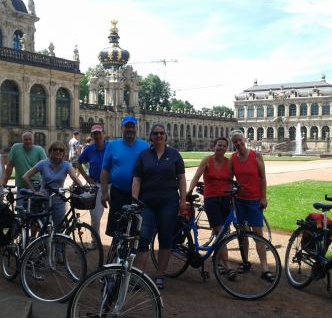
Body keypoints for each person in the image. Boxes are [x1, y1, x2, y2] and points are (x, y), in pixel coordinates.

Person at [131, 123, 186, 290]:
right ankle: (139, 275)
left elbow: (181, 179)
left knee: (165, 239)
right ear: (151, 137)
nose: (159, 136)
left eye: (161, 133)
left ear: (165, 136)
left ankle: (160, 275)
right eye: (155, 133)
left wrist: (182, 200)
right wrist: (135, 200)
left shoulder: (174, 154)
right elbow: (137, 179)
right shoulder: (143, 155)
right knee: (143, 239)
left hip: (168, 202)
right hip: (147, 203)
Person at [187, 136, 236, 280]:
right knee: (220, 231)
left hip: (225, 199)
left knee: (222, 232)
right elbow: (196, 177)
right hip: (212, 200)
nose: (221, 147)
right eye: (219, 145)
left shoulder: (229, 163)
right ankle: (227, 266)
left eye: (224, 146)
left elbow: (231, 182)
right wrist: (189, 192)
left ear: (227, 148)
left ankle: (218, 260)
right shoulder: (207, 160)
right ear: (214, 146)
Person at [229, 129, 273, 282]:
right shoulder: (233, 158)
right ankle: (245, 261)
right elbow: (229, 179)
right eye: (235, 142)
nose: (238, 144)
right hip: (239, 200)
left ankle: (265, 267)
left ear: (244, 140)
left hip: (254, 200)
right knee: (242, 233)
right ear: (233, 144)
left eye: (240, 140)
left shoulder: (256, 155)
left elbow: (263, 178)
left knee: (258, 234)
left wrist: (263, 197)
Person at [100, 116, 149, 237]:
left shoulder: (145, 146)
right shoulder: (112, 145)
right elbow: (105, 170)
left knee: (137, 229)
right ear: (122, 128)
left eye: (132, 127)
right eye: (127, 126)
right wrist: (104, 193)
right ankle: (116, 253)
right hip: (118, 193)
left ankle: (132, 253)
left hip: (139, 195)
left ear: (136, 128)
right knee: (117, 229)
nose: (130, 129)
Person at [22, 141, 83, 228]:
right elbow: (25, 177)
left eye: (61, 150)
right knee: (42, 227)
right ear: (50, 151)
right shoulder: (43, 163)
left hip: (59, 199)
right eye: (55, 149)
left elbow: (75, 179)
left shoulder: (66, 165)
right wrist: (34, 192)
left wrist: (82, 188)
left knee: (59, 227)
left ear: (63, 153)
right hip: (43, 199)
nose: (58, 151)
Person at [77, 125, 109, 248]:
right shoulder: (89, 149)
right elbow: (79, 163)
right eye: (94, 134)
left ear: (103, 134)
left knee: (119, 214)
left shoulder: (110, 147)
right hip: (96, 185)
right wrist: (86, 178)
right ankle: (95, 241)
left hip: (112, 185)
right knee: (95, 216)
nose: (97, 136)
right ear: (92, 135)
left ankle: (119, 243)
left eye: (99, 133)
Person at [1, 131, 47, 205]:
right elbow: (9, 167)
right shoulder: (16, 148)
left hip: (36, 185)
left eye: (30, 139)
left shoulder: (39, 150)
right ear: (22, 140)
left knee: (37, 210)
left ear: (33, 140)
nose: (28, 141)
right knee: (21, 209)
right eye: (26, 139)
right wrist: (4, 183)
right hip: (22, 186)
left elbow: (46, 167)